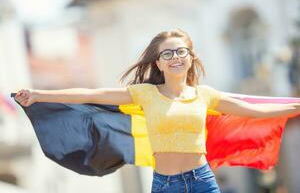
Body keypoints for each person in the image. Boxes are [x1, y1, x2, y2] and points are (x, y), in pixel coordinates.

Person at [15, 29, 300, 193]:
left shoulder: (205, 95)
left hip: (202, 180)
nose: (174, 57)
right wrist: (39, 95)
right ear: (159, 64)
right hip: (165, 185)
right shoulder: (145, 94)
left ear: (190, 59)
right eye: (167, 53)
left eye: (180, 52)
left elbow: (254, 111)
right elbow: (90, 94)